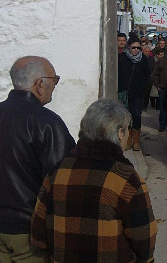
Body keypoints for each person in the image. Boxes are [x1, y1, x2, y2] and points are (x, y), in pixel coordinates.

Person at [31, 99, 157, 262]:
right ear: (120, 133)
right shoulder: (126, 178)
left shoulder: (58, 171)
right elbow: (144, 240)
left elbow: (38, 232)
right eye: (127, 130)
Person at [0, 56, 75, 262]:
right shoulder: (47, 122)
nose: (54, 86)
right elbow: (62, 181)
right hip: (28, 231)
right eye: (55, 79)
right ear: (40, 84)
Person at [117, 36, 150, 151]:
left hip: (138, 93)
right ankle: (127, 139)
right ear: (129, 47)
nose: (136, 50)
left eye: (138, 47)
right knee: (126, 117)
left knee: (136, 115)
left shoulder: (143, 59)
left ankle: (135, 140)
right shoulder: (122, 57)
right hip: (125, 92)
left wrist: (142, 87)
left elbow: (147, 75)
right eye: (133, 47)